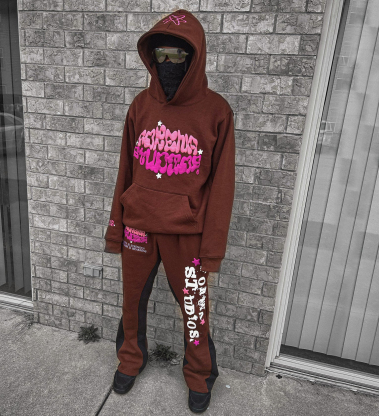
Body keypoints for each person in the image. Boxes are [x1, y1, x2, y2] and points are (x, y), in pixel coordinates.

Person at [104, 9, 235, 414]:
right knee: (131, 303)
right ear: (151, 57)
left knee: (194, 310)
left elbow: (222, 187)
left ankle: (199, 375)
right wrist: (115, 228)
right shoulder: (140, 106)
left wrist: (212, 250)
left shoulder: (217, 112)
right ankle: (130, 359)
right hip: (138, 227)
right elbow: (125, 170)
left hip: (187, 233)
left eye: (178, 56)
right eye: (161, 54)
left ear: (195, 58)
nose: (168, 63)